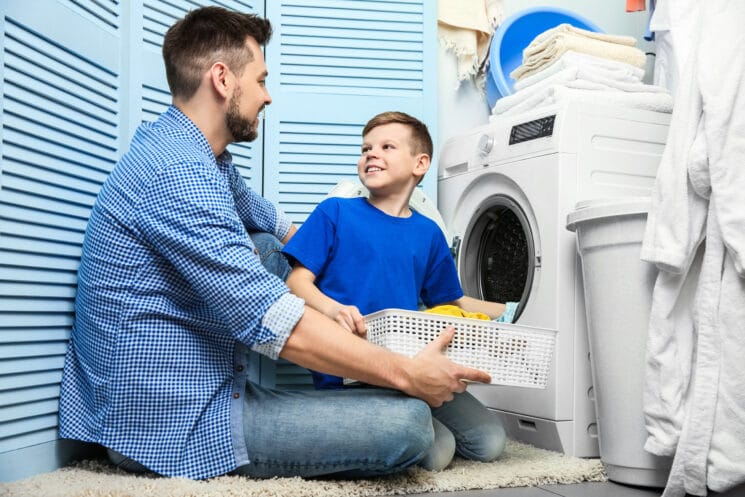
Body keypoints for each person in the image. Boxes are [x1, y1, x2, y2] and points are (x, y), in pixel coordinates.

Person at [57, 7, 491, 481]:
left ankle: (350, 385)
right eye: (260, 79)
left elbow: (268, 219)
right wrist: (406, 373)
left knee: (264, 242)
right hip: (173, 421)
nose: (267, 96)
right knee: (409, 425)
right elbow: (273, 322)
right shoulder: (178, 175)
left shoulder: (196, 154)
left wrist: (328, 277)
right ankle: (370, 387)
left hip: (210, 384)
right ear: (222, 79)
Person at [283, 111, 508, 471]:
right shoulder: (335, 213)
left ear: (420, 164)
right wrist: (332, 310)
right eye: (366, 148)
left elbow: (453, 302)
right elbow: (296, 282)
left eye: (387, 146)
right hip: (350, 371)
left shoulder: (429, 234)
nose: (371, 154)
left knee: (490, 442)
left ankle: (408, 413)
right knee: (439, 451)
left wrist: (514, 310)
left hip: (411, 364)